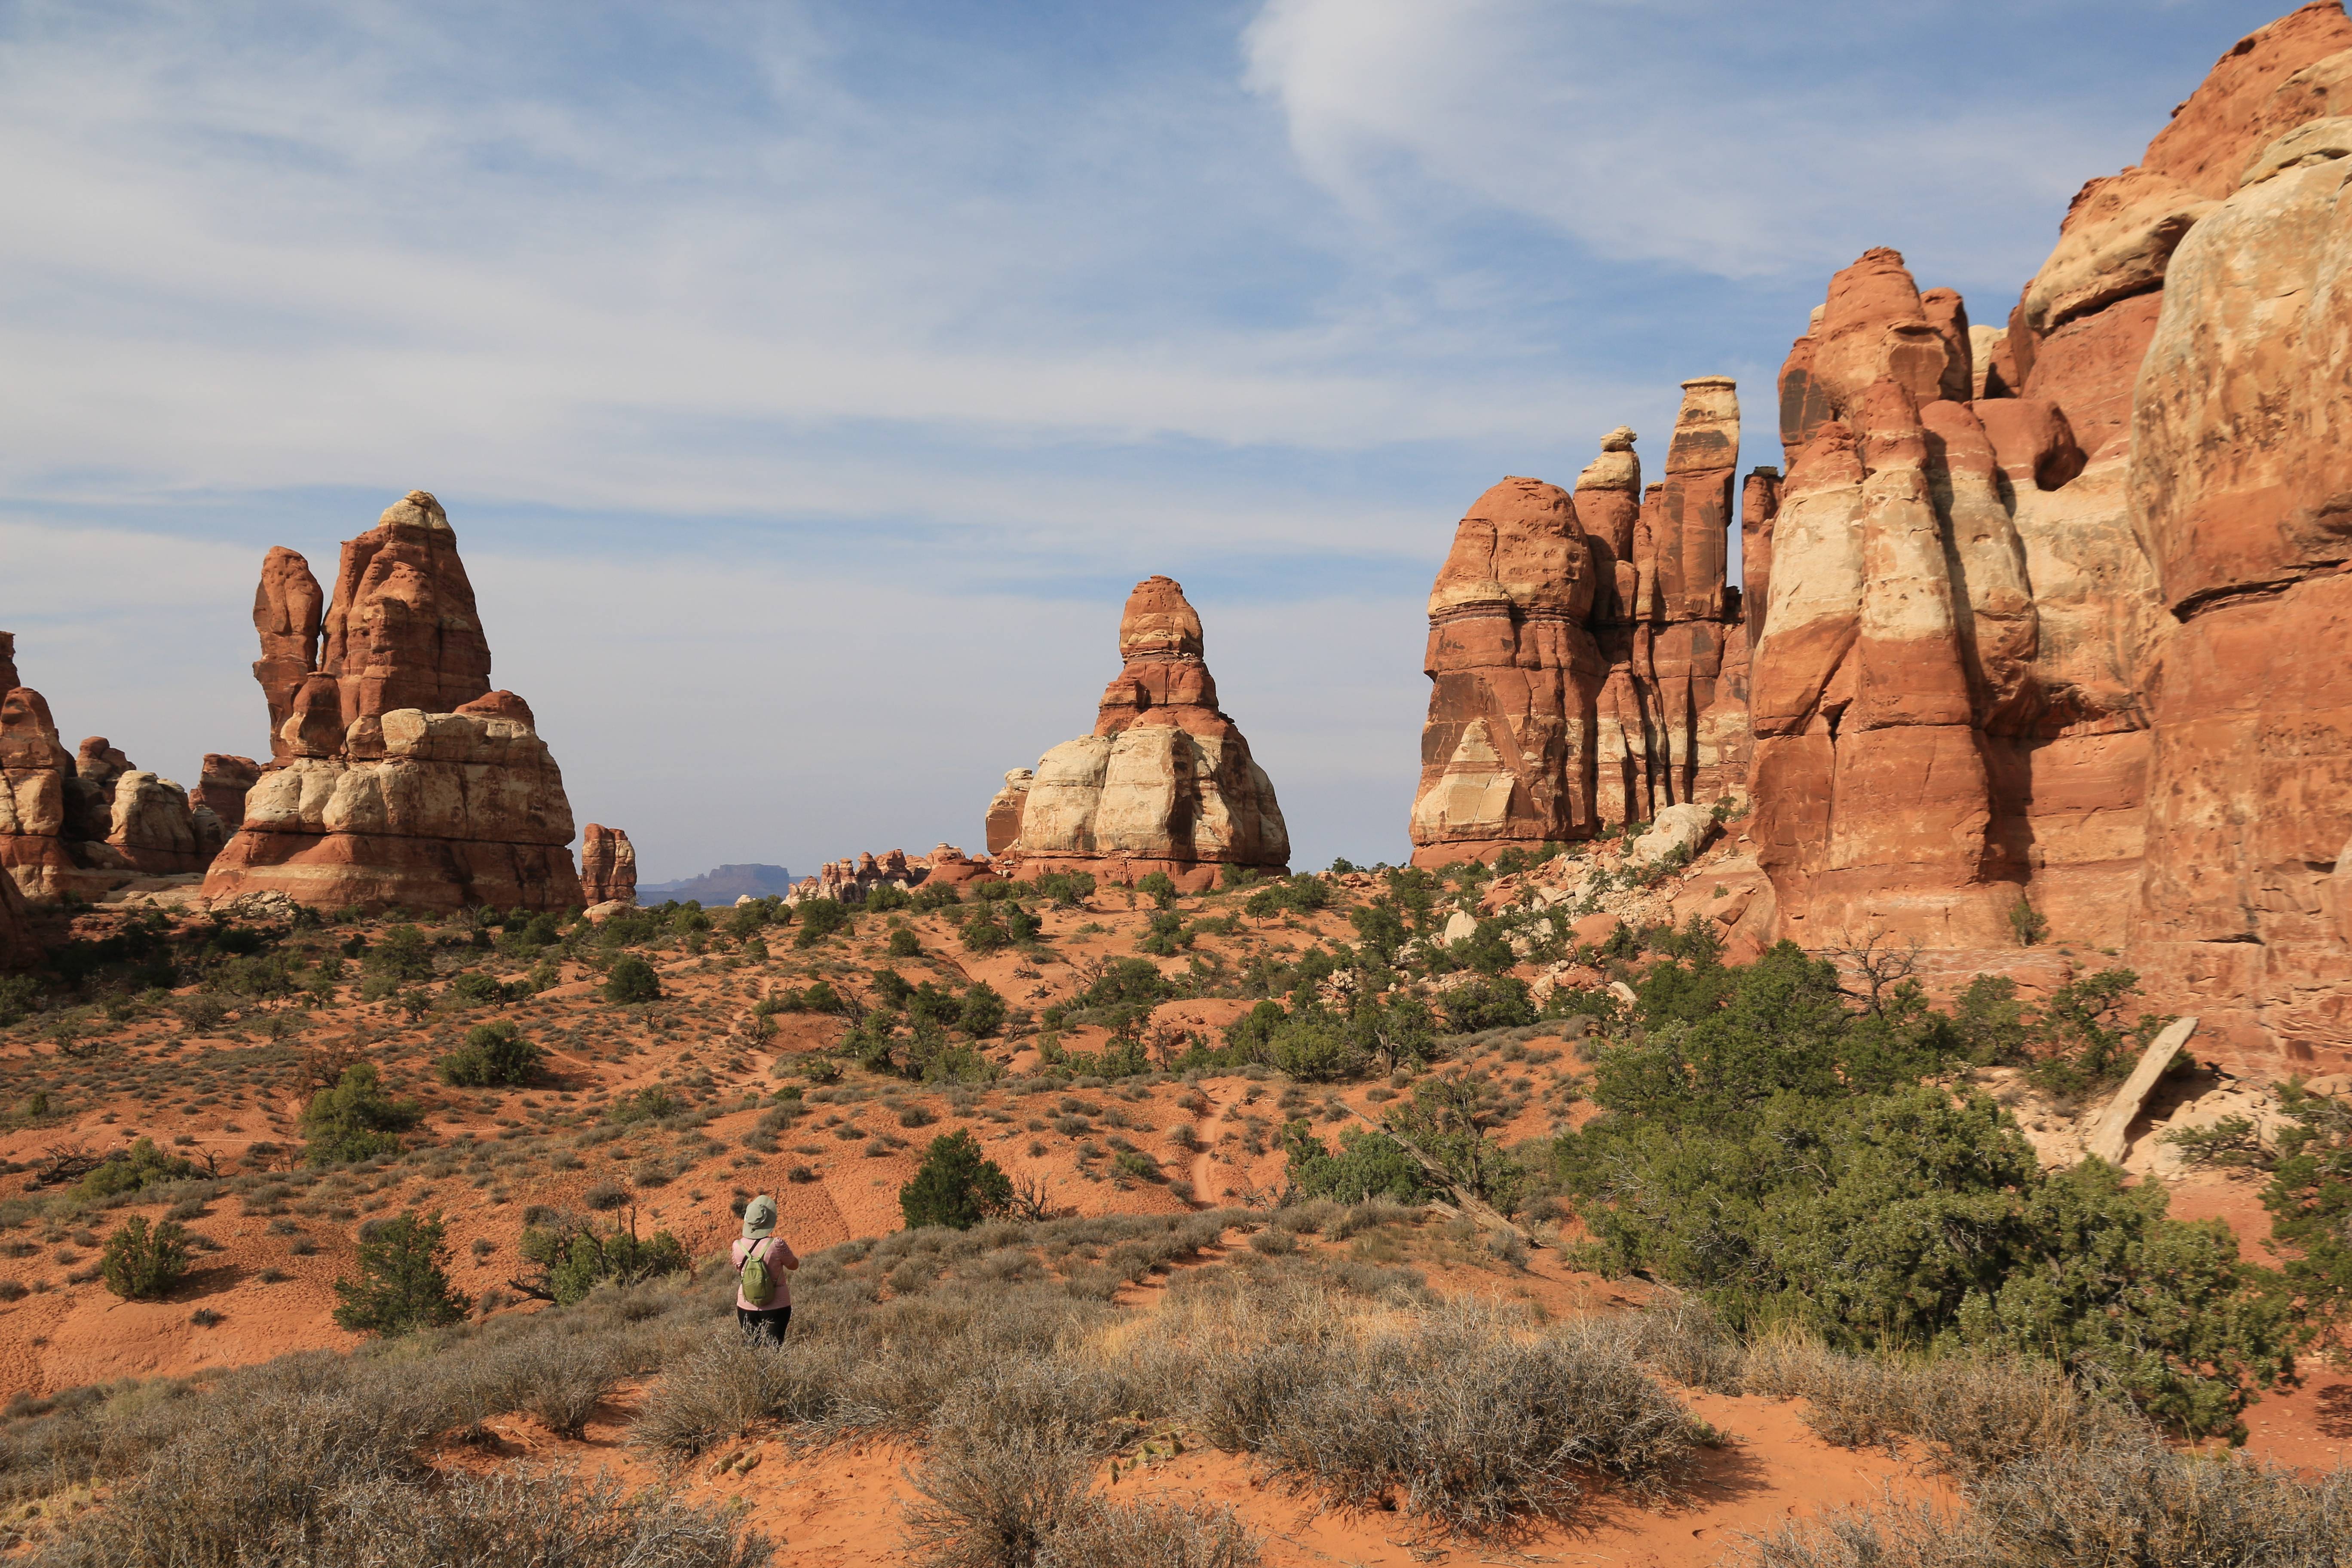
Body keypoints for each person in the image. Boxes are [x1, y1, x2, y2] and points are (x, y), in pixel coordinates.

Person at [731, 1194, 799, 1347]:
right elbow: (794, 1265)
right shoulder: (777, 1244)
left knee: (751, 1348)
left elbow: (738, 1269)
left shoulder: (737, 1245)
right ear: (768, 1223)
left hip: (746, 1303)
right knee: (774, 1349)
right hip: (778, 1304)